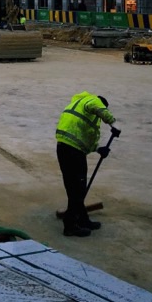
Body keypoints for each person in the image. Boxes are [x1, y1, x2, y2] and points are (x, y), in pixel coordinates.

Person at [55, 91, 120, 238]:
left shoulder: (80, 109)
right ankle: (70, 226)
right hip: (72, 152)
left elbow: (86, 140)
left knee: (76, 188)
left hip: (66, 149)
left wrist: (98, 149)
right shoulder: (92, 100)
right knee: (77, 189)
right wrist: (113, 123)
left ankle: (83, 219)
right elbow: (99, 109)